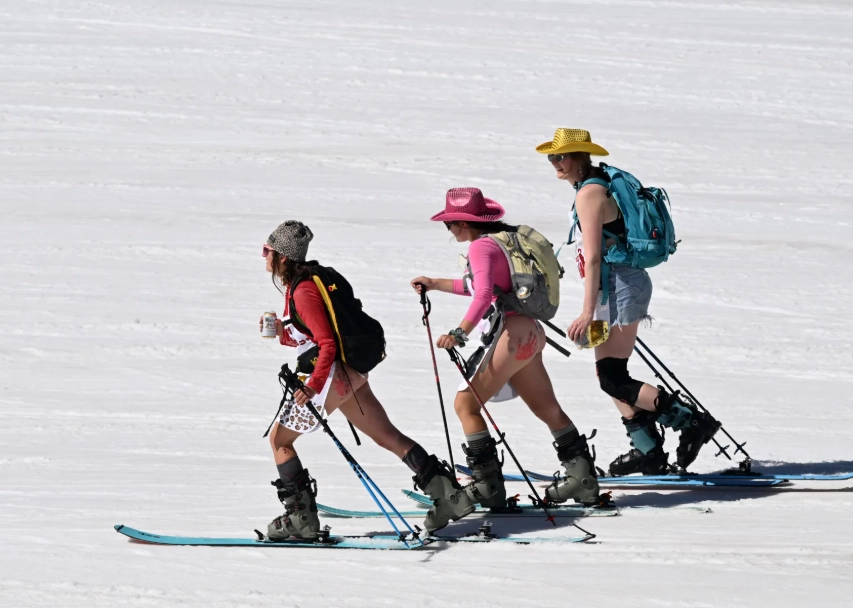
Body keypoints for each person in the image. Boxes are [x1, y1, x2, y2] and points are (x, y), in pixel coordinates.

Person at [261, 220, 472, 538]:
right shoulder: (311, 280)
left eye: (268, 251)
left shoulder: (303, 290)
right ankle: (450, 496)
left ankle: (300, 519)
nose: (264, 256)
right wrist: (283, 332)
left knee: (280, 440)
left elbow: (327, 343)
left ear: (283, 258)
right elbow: (315, 335)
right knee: (386, 435)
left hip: (332, 374)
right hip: (351, 372)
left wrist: (313, 385)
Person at [536, 128, 721, 475]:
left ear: (579, 158)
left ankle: (691, 423)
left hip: (618, 287)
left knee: (612, 378)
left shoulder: (589, 194)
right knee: (609, 375)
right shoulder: (596, 185)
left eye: (560, 157)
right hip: (616, 286)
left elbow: (593, 259)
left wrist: (587, 311)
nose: (555, 164)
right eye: (551, 158)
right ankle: (647, 449)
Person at [411, 188, 600, 512]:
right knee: (546, 407)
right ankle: (582, 479)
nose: (450, 231)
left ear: (463, 224)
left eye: (450, 224)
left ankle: (487, 488)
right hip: (530, 333)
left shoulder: (481, 247)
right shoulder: (501, 241)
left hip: (512, 337)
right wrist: (435, 282)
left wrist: (460, 332)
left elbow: (482, 293)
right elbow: (478, 286)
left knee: (465, 404)